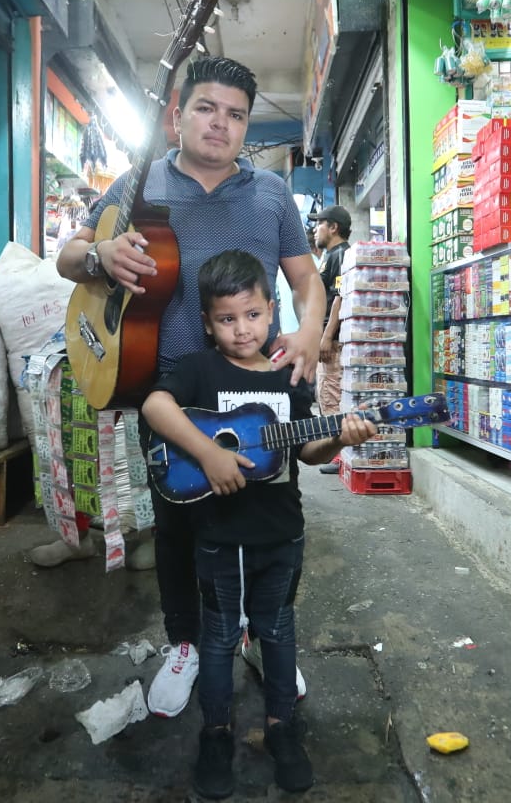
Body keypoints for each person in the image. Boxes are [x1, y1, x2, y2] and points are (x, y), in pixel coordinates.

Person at [54, 56, 326, 718]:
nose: (220, 124)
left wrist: (312, 331)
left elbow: (306, 280)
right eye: (207, 108)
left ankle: (268, 636)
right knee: (178, 520)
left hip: (254, 387)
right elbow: (68, 255)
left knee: (270, 518)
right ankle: (187, 641)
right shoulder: (139, 184)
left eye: (236, 115)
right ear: (178, 114)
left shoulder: (269, 195)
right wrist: (99, 258)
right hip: (168, 388)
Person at [141, 250, 376, 798]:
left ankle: (281, 729)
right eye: (226, 319)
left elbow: (309, 450)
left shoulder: (288, 373)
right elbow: (155, 406)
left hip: (280, 532)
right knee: (218, 641)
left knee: (278, 629)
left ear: (272, 311)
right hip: (220, 539)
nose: (241, 329)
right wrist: (209, 454)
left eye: (251, 315)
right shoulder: (200, 371)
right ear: (207, 323)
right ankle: (216, 732)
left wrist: (342, 436)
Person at [309, 205, 351, 472]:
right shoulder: (331, 255)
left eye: (320, 223)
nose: (315, 229)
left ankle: (339, 455)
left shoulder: (341, 254)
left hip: (332, 340)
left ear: (333, 227)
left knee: (331, 393)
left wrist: (326, 337)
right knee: (326, 394)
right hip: (326, 337)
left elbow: (339, 297)